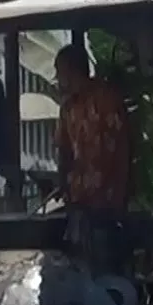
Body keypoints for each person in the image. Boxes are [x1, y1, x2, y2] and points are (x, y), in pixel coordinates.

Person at [53, 44, 130, 276]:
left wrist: (118, 196)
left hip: (107, 202)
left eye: (60, 71)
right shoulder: (67, 107)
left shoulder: (107, 99)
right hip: (79, 202)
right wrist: (61, 181)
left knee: (106, 271)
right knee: (81, 268)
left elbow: (122, 148)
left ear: (73, 71)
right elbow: (63, 149)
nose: (58, 78)